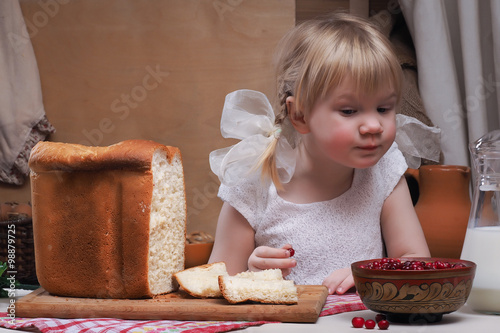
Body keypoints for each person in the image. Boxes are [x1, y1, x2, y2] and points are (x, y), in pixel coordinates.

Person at [208, 12, 431, 295]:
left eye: (384, 109)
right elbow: (216, 285)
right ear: (299, 114)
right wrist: (251, 274)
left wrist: (371, 273)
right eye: (349, 111)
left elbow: (417, 264)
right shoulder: (254, 181)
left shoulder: (383, 173)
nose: (374, 125)